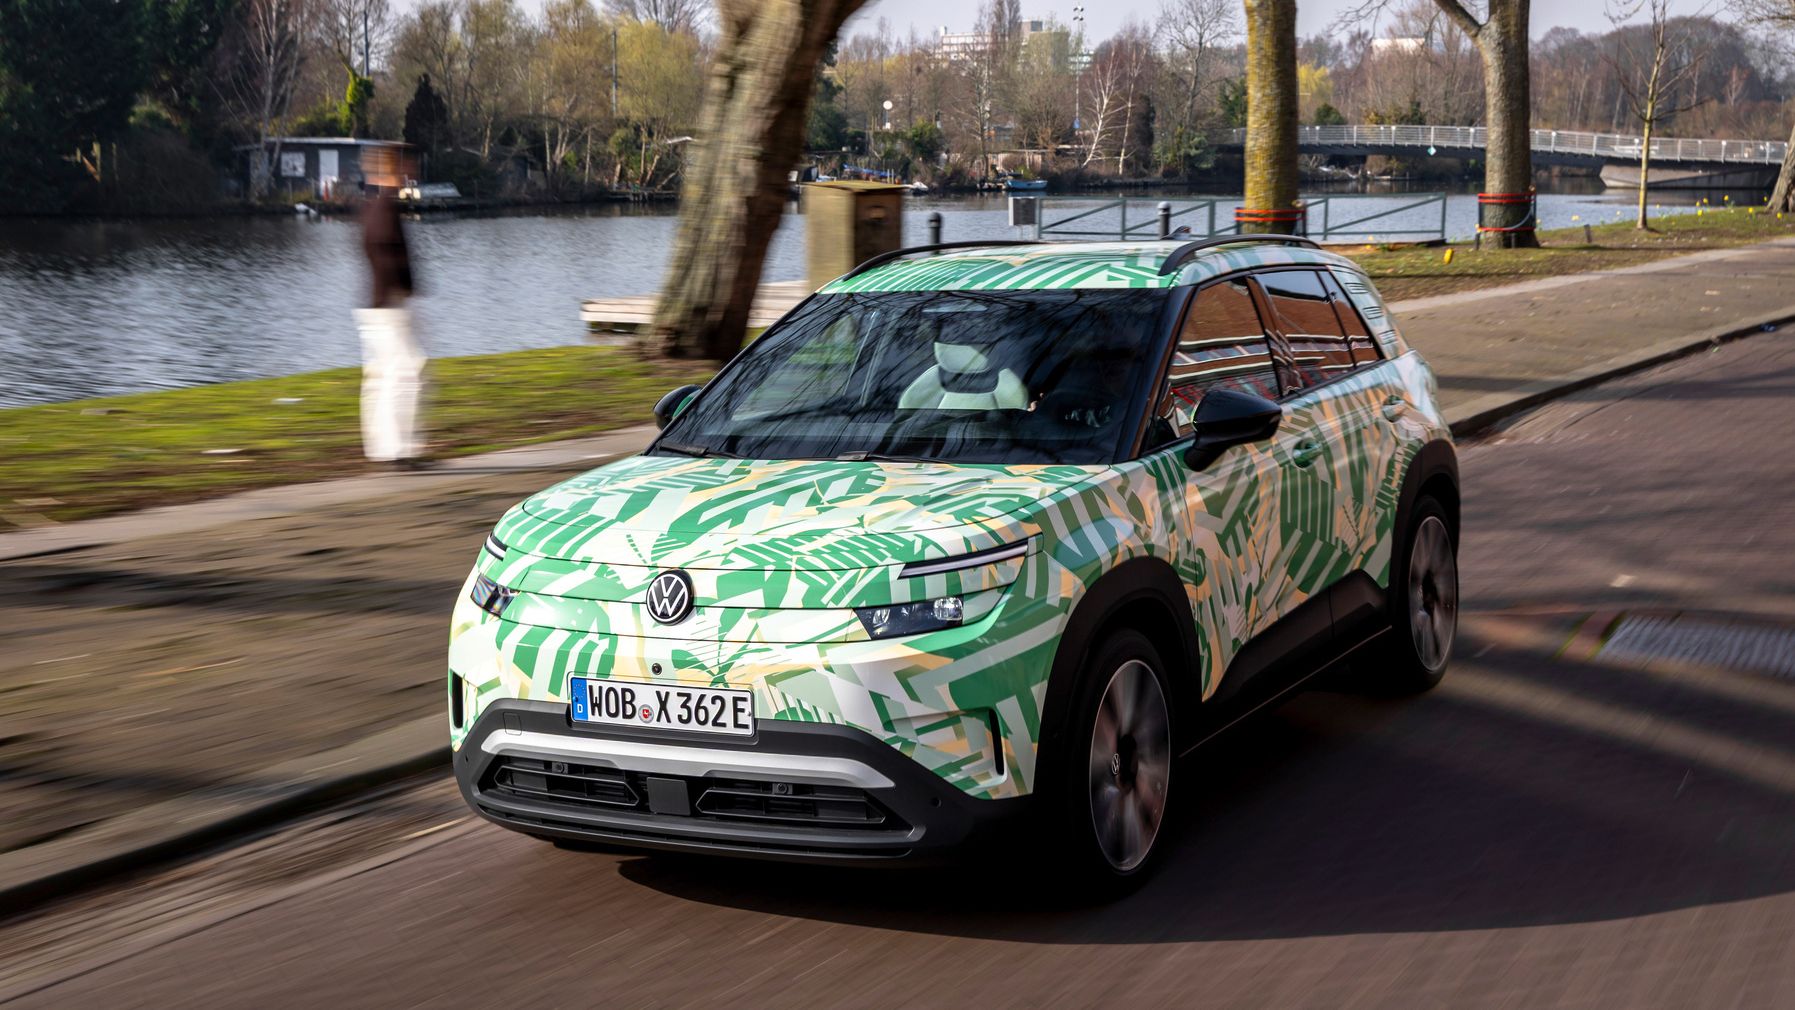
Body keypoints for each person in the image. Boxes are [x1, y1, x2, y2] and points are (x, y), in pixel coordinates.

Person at [355, 146, 429, 468]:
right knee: (407, 372)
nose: (409, 171)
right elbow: (392, 257)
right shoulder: (387, 209)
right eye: (404, 167)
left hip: (372, 304)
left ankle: (382, 447)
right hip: (389, 304)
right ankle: (399, 450)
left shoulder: (371, 208)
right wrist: (406, 290)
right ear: (391, 171)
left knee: (380, 376)